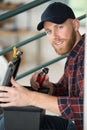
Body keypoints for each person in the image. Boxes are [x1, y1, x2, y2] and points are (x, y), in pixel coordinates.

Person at [0, 2, 84, 130]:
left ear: (75, 25)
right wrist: (49, 88)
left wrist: (31, 98)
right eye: (49, 31)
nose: (55, 36)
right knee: (8, 122)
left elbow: (84, 108)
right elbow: (66, 90)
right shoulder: (75, 53)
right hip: (73, 123)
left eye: (59, 27)